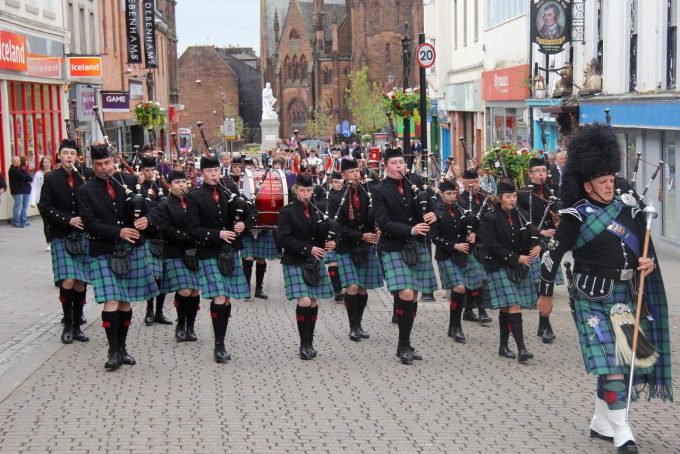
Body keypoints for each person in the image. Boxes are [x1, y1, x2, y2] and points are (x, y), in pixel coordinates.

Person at [537, 124, 672, 452]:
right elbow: (551, 256)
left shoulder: (628, 206)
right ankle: (621, 427)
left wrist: (648, 263)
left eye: (612, 180)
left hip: (626, 296)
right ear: (587, 184)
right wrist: (544, 297)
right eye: (603, 182)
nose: (610, 186)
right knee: (611, 363)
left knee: (624, 361)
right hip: (591, 297)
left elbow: (643, 246)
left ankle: (601, 421)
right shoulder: (575, 216)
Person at [78, 144, 160, 370]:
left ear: (114, 160)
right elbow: (89, 223)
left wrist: (148, 221)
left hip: (131, 248)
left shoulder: (131, 182)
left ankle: (122, 348)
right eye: (98, 165)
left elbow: (153, 208)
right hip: (104, 249)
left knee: (124, 301)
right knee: (111, 300)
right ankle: (112, 351)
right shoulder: (85, 190)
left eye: (107, 163)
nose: (104, 168)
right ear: (92, 164)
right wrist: (118, 231)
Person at [372, 146, 438, 365]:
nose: (399, 166)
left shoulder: (415, 184)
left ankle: (406, 344)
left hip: (417, 246)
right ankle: (402, 344)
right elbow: (383, 223)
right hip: (393, 246)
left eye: (401, 163)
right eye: (394, 163)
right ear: (386, 166)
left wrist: (432, 214)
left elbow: (435, 203)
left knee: (414, 295)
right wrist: (411, 230)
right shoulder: (380, 190)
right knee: (407, 293)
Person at [186, 155, 250, 363]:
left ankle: (221, 338)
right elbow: (193, 229)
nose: (214, 174)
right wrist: (218, 234)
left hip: (229, 251)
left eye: (216, 170)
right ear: (201, 173)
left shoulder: (231, 190)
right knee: (220, 296)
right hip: (209, 251)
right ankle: (219, 345)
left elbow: (252, 211)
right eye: (209, 171)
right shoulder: (194, 196)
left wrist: (244, 224)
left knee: (227, 298)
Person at [479, 181, 539, 362]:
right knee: (514, 304)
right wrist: (515, 258)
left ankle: (503, 346)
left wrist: (538, 246)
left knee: (508, 307)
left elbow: (535, 235)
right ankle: (522, 349)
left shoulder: (522, 215)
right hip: (498, 265)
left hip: (517, 266)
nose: (512, 199)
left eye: (514, 196)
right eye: (508, 196)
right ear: (500, 198)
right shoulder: (491, 218)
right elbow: (491, 246)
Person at [277, 174, 336, 360]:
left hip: (313, 261)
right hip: (295, 260)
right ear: (295, 191)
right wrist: (308, 249)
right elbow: (283, 239)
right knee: (303, 300)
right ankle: (303, 344)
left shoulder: (317, 210)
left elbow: (322, 234)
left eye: (309, 190)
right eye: (302, 190)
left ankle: (310, 341)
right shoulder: (286, 212)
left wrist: (332, 241)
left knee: (313, 301)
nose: (306, 194)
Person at [38, 140, 90, 345]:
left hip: (83, 234)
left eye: (72, 153)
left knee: (80, 282)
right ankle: (67, 325)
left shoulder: (84, 177)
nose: (69, 156)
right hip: (61, 234)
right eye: (65, 153)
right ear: (59, 156)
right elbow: (45, 207)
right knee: (67, 280)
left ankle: (77, 325)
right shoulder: (50, 178)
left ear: (77, 157)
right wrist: (67, 219)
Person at [328, 159, 382, 342]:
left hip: (365, 247)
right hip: (346, 247)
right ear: (343, 176)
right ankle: (352, 327)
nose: (355, 175)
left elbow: (374, 217)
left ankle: (359, 324)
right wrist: (361, 236)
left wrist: (378, 229)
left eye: (357, 171)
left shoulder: (368, 193)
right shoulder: (335, 198)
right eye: (351, 172)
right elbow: (337, 227)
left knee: (362, 289)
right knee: (351, 287)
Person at [431, 179, 486, 343]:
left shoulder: (460, 208)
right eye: (448, 194)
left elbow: (475, 223)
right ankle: (456, 326)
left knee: (477, 282)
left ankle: (454, 324)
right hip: (446, 255)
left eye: (454, 193)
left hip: (464, 255)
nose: (452, 197)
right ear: (441, 194)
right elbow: (434, 238)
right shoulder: (436, 212)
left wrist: (474, 233)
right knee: (460, 288)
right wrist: (454, 245)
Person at [152, 170, 201, 342]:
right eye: (177, 182)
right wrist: (190, 236)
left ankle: (191, 327)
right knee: (185, 290)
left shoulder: (194, 202)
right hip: (175, 251)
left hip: (195, 252)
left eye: (183, 181)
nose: (181, 185)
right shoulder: (164, 205)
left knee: (194, 292)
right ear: (170, 185)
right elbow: (165, 228)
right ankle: (180, 325)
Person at [517, 157, 561, 344]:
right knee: (539, 287)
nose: (541, 174)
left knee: (546, 286)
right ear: (530, 174)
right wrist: (539, 231)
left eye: (543, 170)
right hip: (533, 243)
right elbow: (520, 219)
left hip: (550, 244)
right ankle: (540, 325)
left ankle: (544, 325)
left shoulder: (553, 191)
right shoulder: (522, 194)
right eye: (537, 171)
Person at [138, 156, 172, 326]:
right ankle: (149, 309)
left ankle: (159, 312)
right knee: (152, 277)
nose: (150, 173)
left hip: (163, 237)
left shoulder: (162, 188)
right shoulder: (139, 189)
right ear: (142, 171)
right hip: (149, 236)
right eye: (147, 170)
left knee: (163, 277)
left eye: (153, 170)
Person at [457, 169, 493, 324]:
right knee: (478, 277)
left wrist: (478, 233)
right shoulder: (461, 200)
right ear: (464, 184)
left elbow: (489, 220)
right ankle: (481, 310)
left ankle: (469, 310)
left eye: (476, 182)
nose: (474, 185)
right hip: (469, 246)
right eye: (470, 183)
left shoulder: (485, 198)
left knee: (475, 279)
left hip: (484, 243)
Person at [31, 156, 54, 250]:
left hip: (53, 200)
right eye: (45, 162)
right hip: (41, 201)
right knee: (46, 222)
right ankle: (49, 243)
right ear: (42, 164)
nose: (47, 164)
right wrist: (32, 201)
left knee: (54, 221)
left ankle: (55, 240)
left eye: (48, 162)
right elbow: (34, 188)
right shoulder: (38, 174)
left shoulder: (54, 173)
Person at [8, 155, 33, 227]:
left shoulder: (18, 169)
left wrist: (28, 179)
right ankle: (16, 222)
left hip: (21, 191)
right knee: (18, 207)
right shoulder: (13, 170)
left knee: (22, 206)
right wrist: (27, 179)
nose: (20, 162)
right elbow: (24, 177)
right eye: (18, 160)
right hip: (17, 191)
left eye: (19, 160)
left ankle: (23, 221)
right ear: (14, 162)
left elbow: (29, 178)